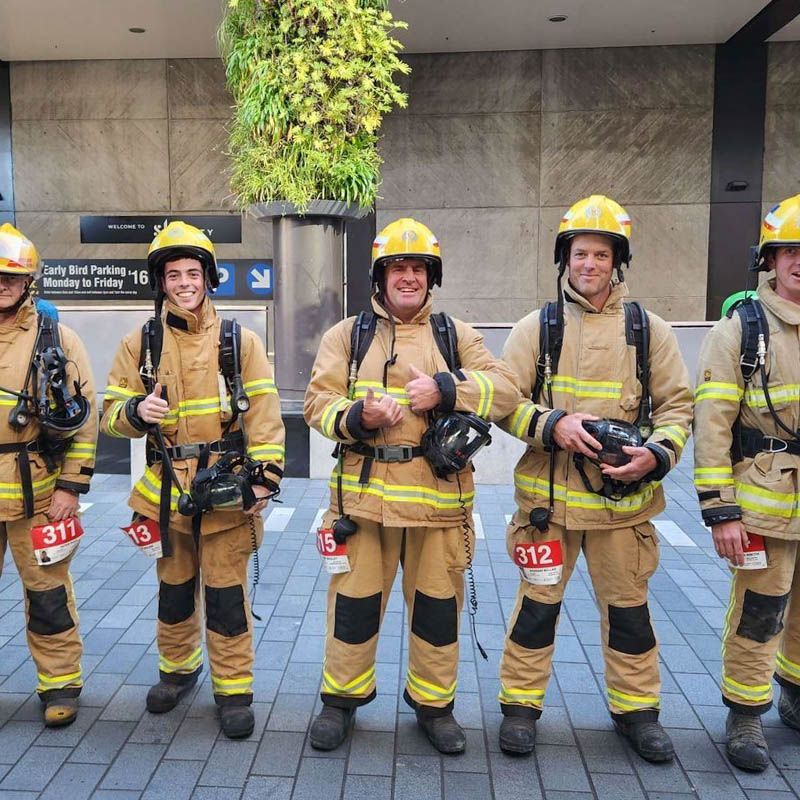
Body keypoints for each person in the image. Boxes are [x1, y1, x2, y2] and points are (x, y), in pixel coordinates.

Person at [303, 218, 519, 754]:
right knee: (351, 609)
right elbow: (316, 403)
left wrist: (446, 389)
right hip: (364, 505)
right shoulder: (346, 335)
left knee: (437, 612)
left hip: (439, 509)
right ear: (380, 276)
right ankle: (340, 701)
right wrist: (358, 415)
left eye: (418, 268)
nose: (408, 277)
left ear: (431, 276)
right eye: (398, 268)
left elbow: (508, 390)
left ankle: (434, 707)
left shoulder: (456, 335)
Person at [496, 196, 693, 762]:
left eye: (600, 254)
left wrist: (655, 457)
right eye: (580, 252)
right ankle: (520, 707)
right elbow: (504, 401)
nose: (589, 264)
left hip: (623, 509)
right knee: (536, 609)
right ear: (565, 259)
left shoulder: (648, 330)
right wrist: (551, 424)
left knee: (630, 613)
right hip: (548, 508)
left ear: (617, 261)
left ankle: (639, 712)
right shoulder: (539, 327)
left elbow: (679, 409)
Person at [100, 221, 285, 739]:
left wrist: (264, 483)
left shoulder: (238, 340)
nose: (184, 282)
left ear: (208, 277)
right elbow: (110, 414)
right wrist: (138, 411)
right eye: (174, 273)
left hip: (225, 491)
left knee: (226, 598)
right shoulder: (139, 342)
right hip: (166, 494)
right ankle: (178, 672)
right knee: (174, 592)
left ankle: (233, 689)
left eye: (193, 272)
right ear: (161, 281)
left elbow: (266, 417)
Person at [693, 194, 800, 772]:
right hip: (761, 506)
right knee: (761, 611)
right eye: (789, 251)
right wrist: (720, 510)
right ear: (771, 260)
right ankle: (746, 713)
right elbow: (711, 426)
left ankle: (795, 696)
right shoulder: (741, 328)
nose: (799, 261)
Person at [0, 223, 96, 727]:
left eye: (10, 278)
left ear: (27, 283)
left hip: (37, 490)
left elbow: (85, 418)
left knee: (48, 594)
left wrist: (70, 487)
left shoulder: (55, 337)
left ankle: (60, 685)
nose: (0, 285)